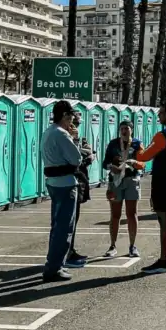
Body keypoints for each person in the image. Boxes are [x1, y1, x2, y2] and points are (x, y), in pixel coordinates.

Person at [134, 100, 166, 275]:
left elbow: (144, 156)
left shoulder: (162, 136)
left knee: (163, 220)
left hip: (163, 181)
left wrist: (136, 146)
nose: (158, 116)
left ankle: (163, 261)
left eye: (161, 113)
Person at [39, 99, 82, 282]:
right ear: (64, 116)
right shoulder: (62, 134)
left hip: (53, 182)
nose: (71, 121)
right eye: (70, 117)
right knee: (64, 228)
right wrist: (75, 139)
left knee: (56, 226)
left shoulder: (48, 132)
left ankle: (53, 264)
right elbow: (76, 159)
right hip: (65, 183)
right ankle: (55, 268)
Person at [102, 120, 145, 260]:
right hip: (115, 181)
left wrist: (134, 164)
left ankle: (132, 245)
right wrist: (111, 166)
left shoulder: (137, 144)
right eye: (122, 129)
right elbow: (105, 163)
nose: (124, 131)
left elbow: (143, 163)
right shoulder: (113, 144)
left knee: (132, 214)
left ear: (131, 130)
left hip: (131, 180)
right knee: (115, 215)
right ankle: (112, 246)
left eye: (126, 128)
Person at [66, 113, 94, 265]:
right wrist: (80, 148)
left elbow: (89, 153)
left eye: (77, 123)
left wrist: (86, 154)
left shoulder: (80, 139)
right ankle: (66, 253)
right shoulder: (65, 138)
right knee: (67, 221)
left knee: (74, 219)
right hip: (68, 182)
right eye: (73, 123)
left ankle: (70, 249)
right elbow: (76, 156)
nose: (75, 127)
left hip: (80, 181)